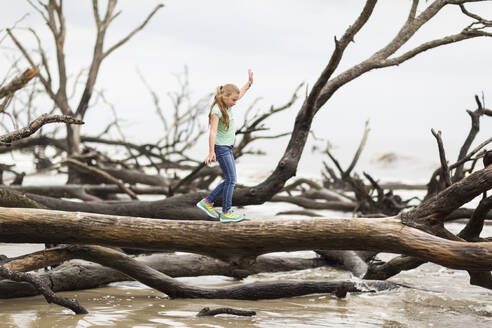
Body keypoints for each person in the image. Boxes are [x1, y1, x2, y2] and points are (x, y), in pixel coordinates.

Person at [196, 69, 254, 223]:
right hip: (221, 148)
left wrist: (248, 84)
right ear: (225, 96)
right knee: (231, 179)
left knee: (230, 179)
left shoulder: (227, 105)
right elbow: (212, 132)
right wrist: (211, 152)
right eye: (233, 100)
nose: (236, 102)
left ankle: (207, 202)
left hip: (227, 147)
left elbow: (239, 93)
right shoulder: (217, 110)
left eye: (236, 100)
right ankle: (226, 212)